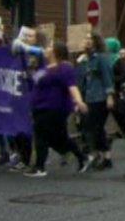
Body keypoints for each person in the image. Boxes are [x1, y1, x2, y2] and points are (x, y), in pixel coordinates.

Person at [24, 42, 92, 178]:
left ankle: (40, 167)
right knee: (57, 137)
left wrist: (79, 101)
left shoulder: (64, 68)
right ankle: (82, 157)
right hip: (39, 107)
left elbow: (72, 86)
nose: (46, 49)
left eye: (49, 47)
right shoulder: (43, 67)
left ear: (56, 52)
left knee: (41, 136)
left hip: (54, 108)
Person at [79, 33, 115, 171]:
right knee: (92, 127)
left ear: (95, 42)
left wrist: (110, 96)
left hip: (100, 97)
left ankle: (106, 157)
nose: (87, 41)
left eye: (90, 39)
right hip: (90, 97)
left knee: (97, 128)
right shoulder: (87, 59)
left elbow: (107, 77)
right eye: (86, 38)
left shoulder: (101, 58)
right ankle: (102, 155)